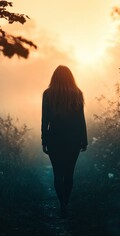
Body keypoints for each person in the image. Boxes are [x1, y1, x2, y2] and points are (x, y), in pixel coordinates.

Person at [41, 65, 88, 218]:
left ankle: (62, 204)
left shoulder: (48, 94)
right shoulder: (77, 94)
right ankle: (66, 203)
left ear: (54, 78)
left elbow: (45, 120)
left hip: (54, 139)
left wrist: (44, 140)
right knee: (69, 175)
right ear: (71, 77)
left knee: (57, 174)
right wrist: (84, 140)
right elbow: (81, 120)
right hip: (73, 140)